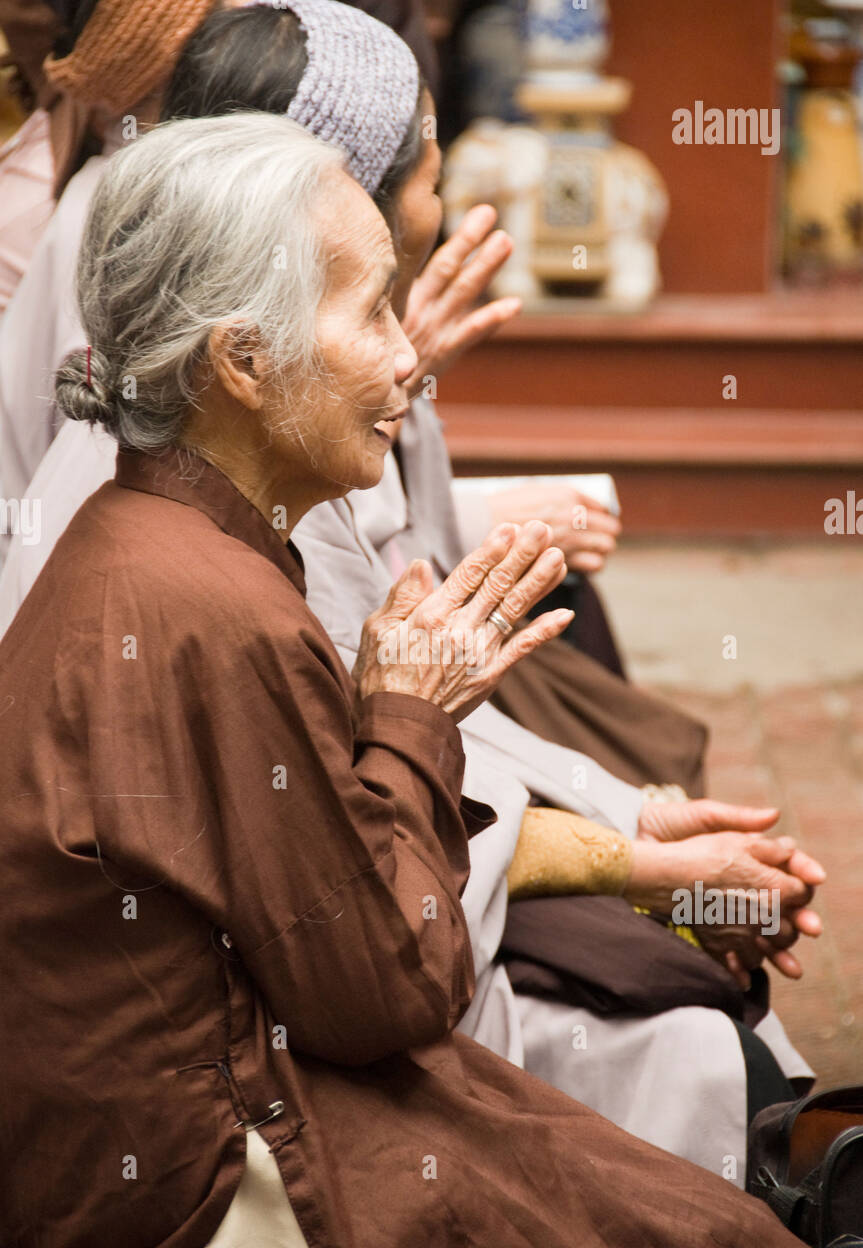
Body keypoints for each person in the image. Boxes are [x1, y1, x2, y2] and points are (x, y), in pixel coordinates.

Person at [0, 0, 824, 1181]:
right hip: (205, 1159)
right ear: (242, 355)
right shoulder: (203, 592)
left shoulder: (193, 509)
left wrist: (620, 823)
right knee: (687, 1102)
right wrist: (441, 733)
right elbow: (380, 973)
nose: (409, 357)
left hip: (281, 1010)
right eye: (373, 310)